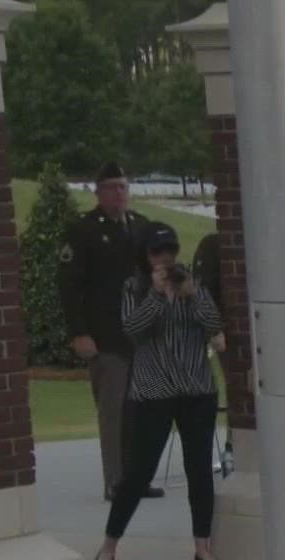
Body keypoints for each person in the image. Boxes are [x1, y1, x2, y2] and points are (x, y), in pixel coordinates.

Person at [89, 222, 226, 560]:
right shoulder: (133, 288)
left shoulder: (193, 285)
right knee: (137, 474)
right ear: (145, 255)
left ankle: (202, 546)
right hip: (153, 393)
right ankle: (109, 546)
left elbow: (214, 325)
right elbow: (133, 331)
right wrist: (155, 295)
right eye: (157, 252)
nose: (165, 259)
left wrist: (193, 294)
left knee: (199, 471)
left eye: (170, 251)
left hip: (197, 390)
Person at [60, 162, 160, 503]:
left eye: (123, 187)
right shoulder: (84, 231)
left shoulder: (142, 227)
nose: (119, 193)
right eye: (112, 187)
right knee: (115, 412)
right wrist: (79, 332)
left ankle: (139, 477)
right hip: (107, 336)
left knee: (143, 410)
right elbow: (70, 287)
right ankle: (117, 482)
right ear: (99, 192)